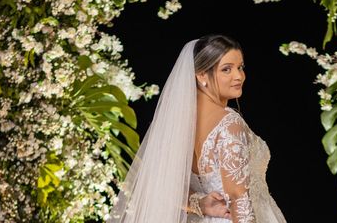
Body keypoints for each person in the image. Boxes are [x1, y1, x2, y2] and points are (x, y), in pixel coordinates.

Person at [107, 35, 287, 223]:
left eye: (240, 67)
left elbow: (162, 185)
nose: (239, 76)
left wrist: (199, 203)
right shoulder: (229, 123)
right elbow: (238, 199)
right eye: (227, 69)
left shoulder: (178, 121)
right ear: (201, 75)